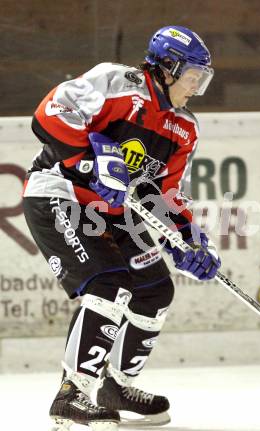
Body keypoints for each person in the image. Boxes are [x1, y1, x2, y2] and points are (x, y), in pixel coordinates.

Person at [22, 25, 221, 431]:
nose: (196, 87)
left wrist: (190, 239)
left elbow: (165, 193)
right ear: (167, 67)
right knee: (107, 284)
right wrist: (86, 162)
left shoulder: (184, 127)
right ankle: (71, 395)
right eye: (192, 76)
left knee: (154, 289)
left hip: (114, 212)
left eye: (202, 79)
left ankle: (116, 387)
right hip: (60, 193)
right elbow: (50, 114)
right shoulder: (116, 82)